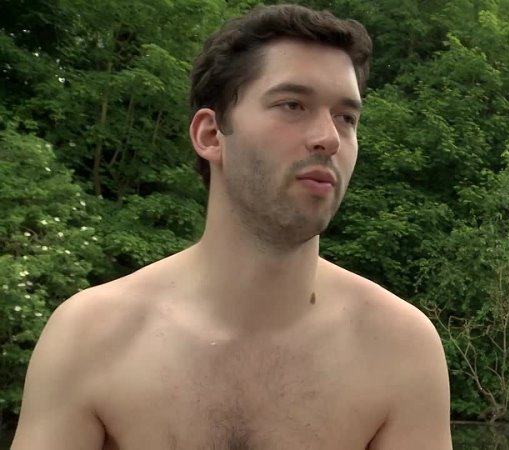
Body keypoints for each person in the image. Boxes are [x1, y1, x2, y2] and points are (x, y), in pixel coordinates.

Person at [11, 4, 452, 449]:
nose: (329, 137)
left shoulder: (399, 352)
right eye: (293, 105)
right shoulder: (91, 337)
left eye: (346, 117)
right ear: (209, 135)